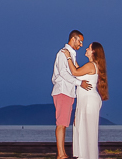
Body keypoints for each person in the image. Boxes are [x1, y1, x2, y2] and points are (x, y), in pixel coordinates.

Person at [52, 30, 92, 159]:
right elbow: (63, 74)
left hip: (68, 92)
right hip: (63, 90)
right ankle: (61, 154)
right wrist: (79, 83)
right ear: (73, 39)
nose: (81, 45)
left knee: (63, 123)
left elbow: (76, 70)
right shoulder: (63, 53)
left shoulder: (71, 54)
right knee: (61, 123)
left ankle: (62, 153)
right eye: (80, 41)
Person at [67, 41, 108, 159]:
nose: (86, 49)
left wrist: (68, 57)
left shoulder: (91, 65)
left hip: (89, 101)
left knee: (88, 131)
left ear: (93, 52)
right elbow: (78, 70)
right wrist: (72, 57)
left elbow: (75, 72)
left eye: (89, 48)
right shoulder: (90, 66)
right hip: (85, 101)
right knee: (83, 129)